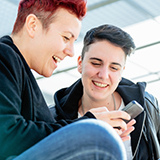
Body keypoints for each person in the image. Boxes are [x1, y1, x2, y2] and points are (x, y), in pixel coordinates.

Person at [0, 1, 129, 160]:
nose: (70, 51)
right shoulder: (3, 56)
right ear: (33, 25)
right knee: (101, 139)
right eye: (66, 37)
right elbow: (6, 135)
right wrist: (88, 126)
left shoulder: (21, 73)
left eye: (73, 41)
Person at [54, 24, 160, 160]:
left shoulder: (148, 105)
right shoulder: (54, 118)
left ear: (122, 71)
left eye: (114, 68)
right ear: (80, 63)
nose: (104, 75)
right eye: (96, 63)